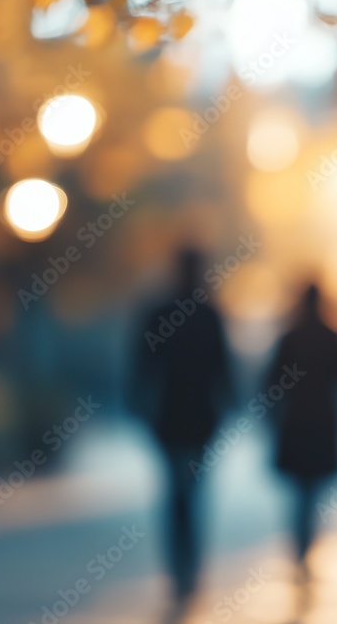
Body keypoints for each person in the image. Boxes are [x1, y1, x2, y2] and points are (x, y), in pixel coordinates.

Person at [130, 249, 232, 614]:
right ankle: (187, 567)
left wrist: (141, 408)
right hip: (195, 419)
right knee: (189, 491)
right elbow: (224, 370)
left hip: (174, 419)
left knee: (177, 493)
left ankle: (182, 567)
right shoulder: (209, 315)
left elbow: (141, 366)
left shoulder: (162, 313)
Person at [265, 284, 337, 589]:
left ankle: (301, 548)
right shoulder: (332, 337)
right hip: (320, 426)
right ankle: (305, 548)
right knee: (311, 492)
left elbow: (271, 383)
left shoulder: (289, 338)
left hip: (297, 425)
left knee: (302, 492)